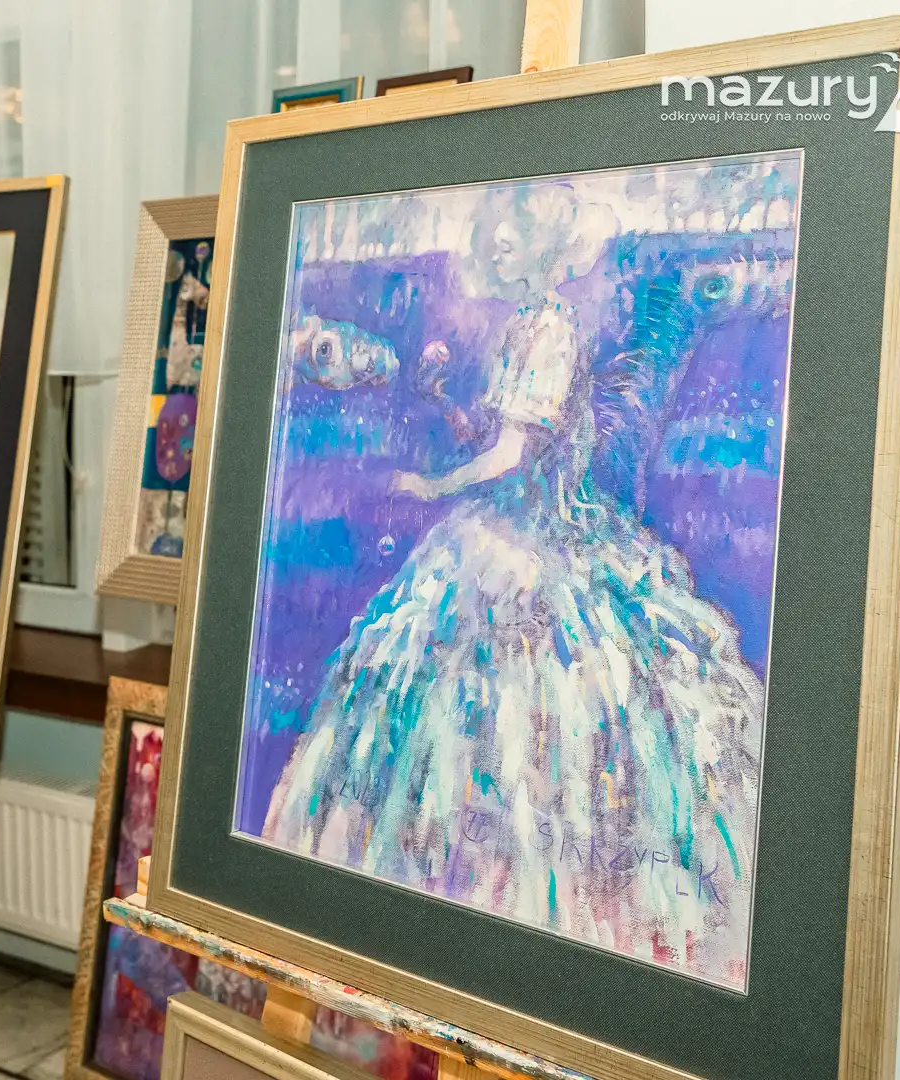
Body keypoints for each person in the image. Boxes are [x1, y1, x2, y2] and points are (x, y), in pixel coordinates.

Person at [261, 184, 765, 987]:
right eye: (498, 230)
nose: (499, 242)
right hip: (504, 528)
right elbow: (503, 438)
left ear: (545, 247)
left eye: (515, 232)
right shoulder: (529, 325)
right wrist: (448, 413)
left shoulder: (550, 331)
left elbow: (511, 458)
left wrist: (433, 486)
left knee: (541, 726)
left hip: (540, 543)